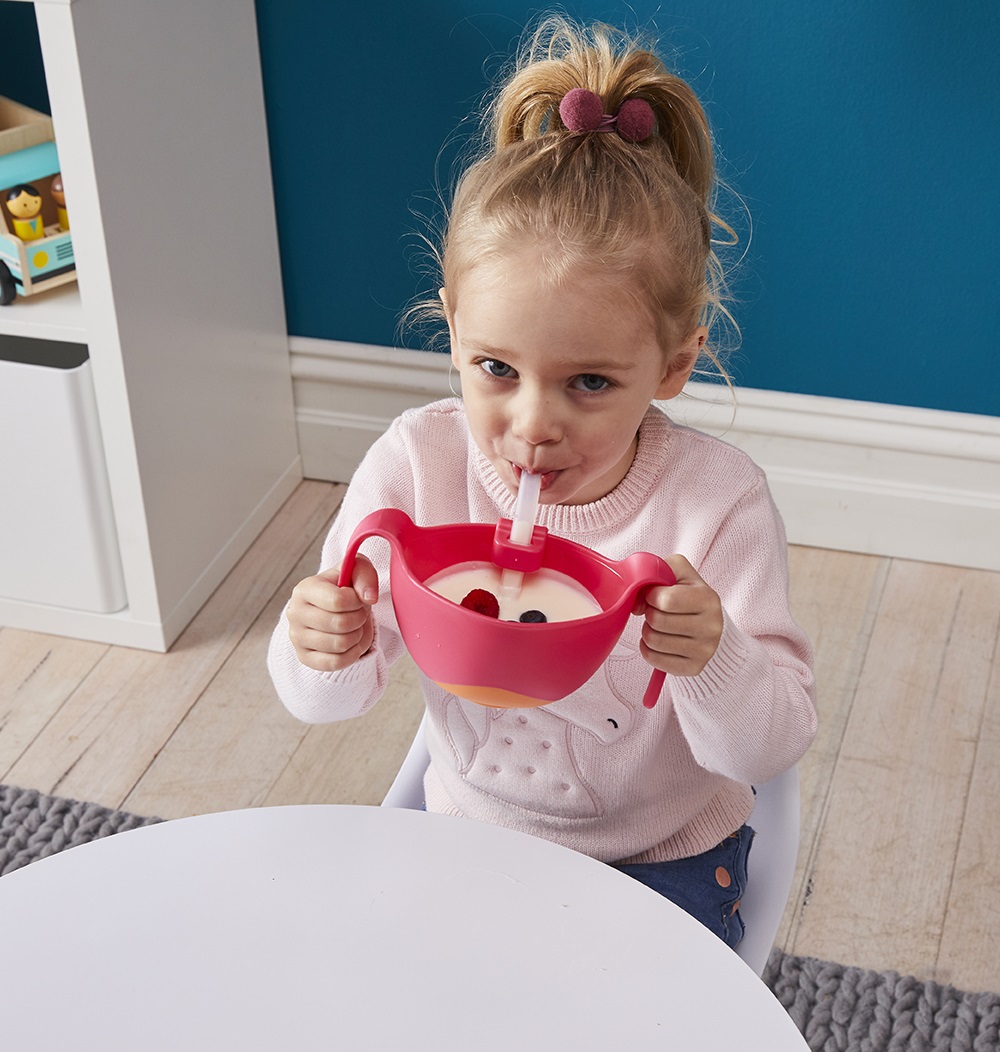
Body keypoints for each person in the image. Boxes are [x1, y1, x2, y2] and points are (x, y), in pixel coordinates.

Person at [268, 16, 816, 950]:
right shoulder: (418, 465)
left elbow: (768, 749)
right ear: (450, 327)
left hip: (664, 857)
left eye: (590, 383)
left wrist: (713, 654)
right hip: (469, 835)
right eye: (495, 368)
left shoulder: (713, 503)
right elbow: (324, 702)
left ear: (675, 364)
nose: (532, 426)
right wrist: (322, 643)